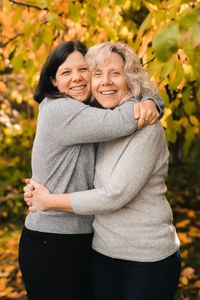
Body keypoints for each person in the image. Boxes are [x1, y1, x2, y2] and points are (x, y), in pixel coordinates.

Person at [24, 42, 181, 300]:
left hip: (113, 248)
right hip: (53, 240)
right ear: (53, 81)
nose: (77, 78)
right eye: (66, 73)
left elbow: (115, 192)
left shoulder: (101, 114)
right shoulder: (63, 110)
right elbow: (123, 119)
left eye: (84, 70)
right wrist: (152, 101)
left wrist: (153, 101)